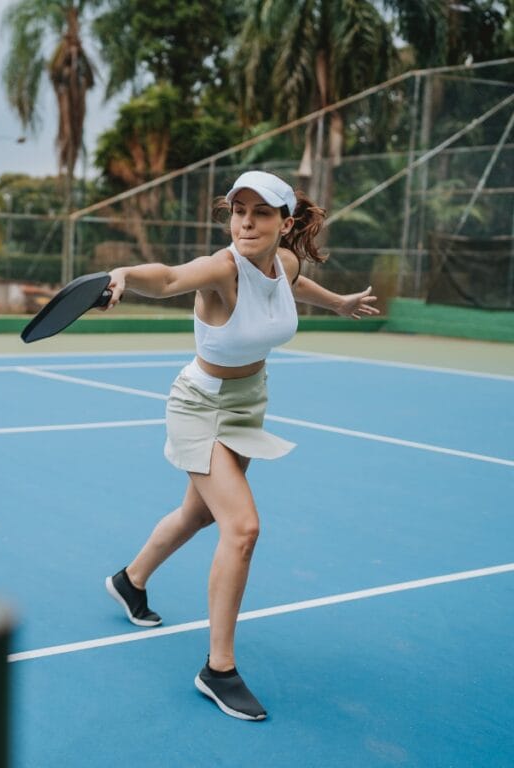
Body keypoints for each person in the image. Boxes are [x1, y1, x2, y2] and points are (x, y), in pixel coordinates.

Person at [102, 170, 379, 721]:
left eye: (259, 212)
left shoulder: (284, 262)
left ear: (285, 222)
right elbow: (168, 278)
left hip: (249, 402)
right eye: (237, 210)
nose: (246, 222)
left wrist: (340, 303)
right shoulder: (221, 268)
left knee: (197, 515)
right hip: (199, 405)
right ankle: (218, 668)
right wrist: (124, 274)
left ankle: (128, 581)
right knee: (242, 527)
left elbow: (295, 283)